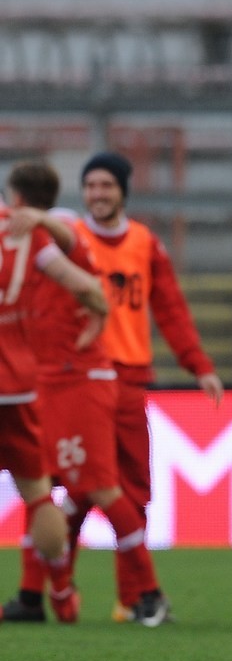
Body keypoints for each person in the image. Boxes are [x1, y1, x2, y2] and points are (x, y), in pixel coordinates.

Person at [1, 195, 170, 627]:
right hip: (44, 384)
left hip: (79, 383)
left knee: (96, 488)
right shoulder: (40, 260)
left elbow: (93, 291)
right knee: (48, 493)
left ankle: (146, 593)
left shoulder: (56, 246)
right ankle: (44, 593)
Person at [69, 151, 224, 623]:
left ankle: (126, 597)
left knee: (131, 490)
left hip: (129, 381)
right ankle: (55, 590)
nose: (97, 194)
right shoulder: (68, 240)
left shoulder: (144, 244)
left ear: (122, 192)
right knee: (79, 488)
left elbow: (171, 310)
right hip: (77, 380)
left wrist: (198, 365)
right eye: (91, 186)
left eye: (106, 186)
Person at [0, 161, 109, 623]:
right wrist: (98, 318)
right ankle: (61, 589)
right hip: (19, 384)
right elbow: (86, 285)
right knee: (39, 495)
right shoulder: (24, 236)